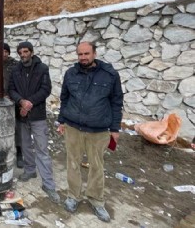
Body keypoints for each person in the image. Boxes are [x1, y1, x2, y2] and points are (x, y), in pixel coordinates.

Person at [57, 42, 123, 222]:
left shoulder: (109, 75)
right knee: (72, 163)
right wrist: (61, 120)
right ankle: (73, 196)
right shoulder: (71, 73)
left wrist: (115, 128)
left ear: (94, 53)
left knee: (97, 166)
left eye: (86, 53)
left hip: (98, 130)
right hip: (73, 128)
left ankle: (96, 200)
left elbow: (117, 102)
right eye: (80, 54)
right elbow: (64, 98)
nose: (83, 57)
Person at [8, 41, 60, 204]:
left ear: (31, 52)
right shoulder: (15, 70)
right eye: (21, 52)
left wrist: (29, 103)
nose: (23, 55)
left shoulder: (42, 68)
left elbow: (46, 89)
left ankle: (49, 184)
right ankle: (30, 170)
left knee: (42, 149)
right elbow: (11, 90)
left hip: (37, 115)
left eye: (26, 51)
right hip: (22, 115)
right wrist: (21, 101)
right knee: (25, 146)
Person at [0, 43, 22, 167]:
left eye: (5, 51)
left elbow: (19, 84)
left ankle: (19, 153)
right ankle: (0, 152)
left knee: (16, 128)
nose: (2, 54)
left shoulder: (16, 66)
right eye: (0, 51)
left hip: (13, 102)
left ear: (8, 53)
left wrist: (12, 97)